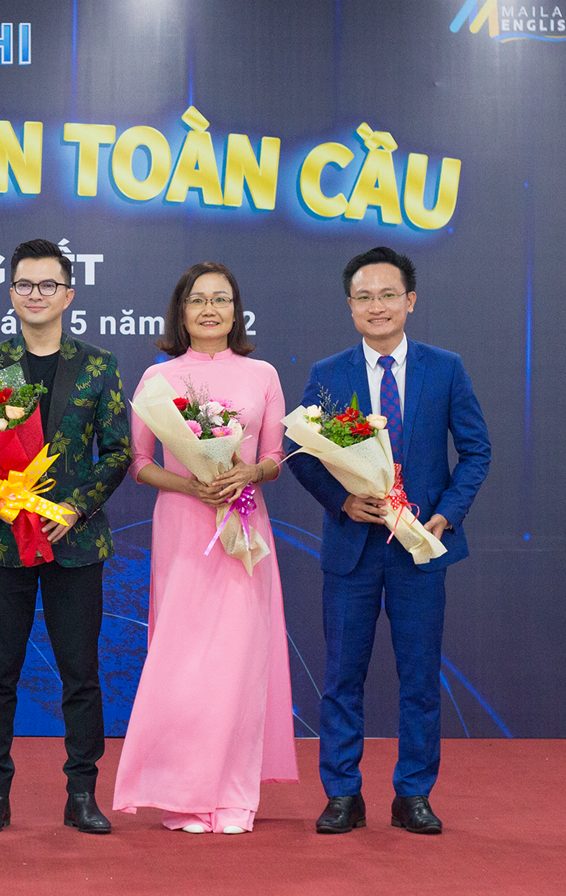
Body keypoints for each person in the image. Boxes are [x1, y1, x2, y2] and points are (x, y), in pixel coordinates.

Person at [289, 246, 490, 835]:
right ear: (350, 305)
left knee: (420, 679)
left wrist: (446, 515)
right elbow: (302, 453)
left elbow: (476, 450)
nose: (376, 306)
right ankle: (342, 795)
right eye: (364, 297)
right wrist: (341, 500)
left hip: (418, 548)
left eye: (387, 295)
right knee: (341, 678)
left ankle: (414, 795)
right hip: (352, 548)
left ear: (410, 301)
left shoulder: (445, 368)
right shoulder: (329, 374)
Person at [110, 262, 298, 834]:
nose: (210, 309)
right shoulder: (158, 378)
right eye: (198, 300)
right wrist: (192, 484)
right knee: (184, 662)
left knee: (239, 662)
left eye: (221, 299)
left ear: (237, 311)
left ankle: (235, 796)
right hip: (184, 526)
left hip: (244, 527)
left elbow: (276, 457)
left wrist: (249, 474)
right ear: (181, 311)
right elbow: (139, 463)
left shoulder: (262, 374)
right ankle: (183, 797)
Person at [0, 238, 131, 835]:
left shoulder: (99, 365)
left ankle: (82, 793)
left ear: (68, 295)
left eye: (48, 285)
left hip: (74, 543)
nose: (36, 295)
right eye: (26, 285)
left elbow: (118, 451)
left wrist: (76, 508)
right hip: (4, 540)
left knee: (80, 674)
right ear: (12, 294)